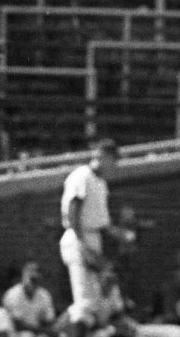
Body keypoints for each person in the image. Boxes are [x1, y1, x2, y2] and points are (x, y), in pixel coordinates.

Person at [59, 138, 120, 337]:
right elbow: (73, 211)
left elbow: (101, 222)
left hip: (92, 237)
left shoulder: (100, 182)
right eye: (112, 159)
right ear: (103, 156)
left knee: (94, 304)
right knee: (84, 304)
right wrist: (82, 244)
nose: (114, 164)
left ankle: (62, 330)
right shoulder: (82, 175)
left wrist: (120, 234)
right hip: (79, 237)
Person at [0, 262, 55, 337]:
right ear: (23, 277)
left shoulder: (44, 295)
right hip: (16, 333)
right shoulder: (13, 294)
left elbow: (49, 320)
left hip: (39, 332)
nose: (33, 282)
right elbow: (18, 325)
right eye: (31, 278)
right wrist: (44, 330)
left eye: (35, 279)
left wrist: (48, 331)